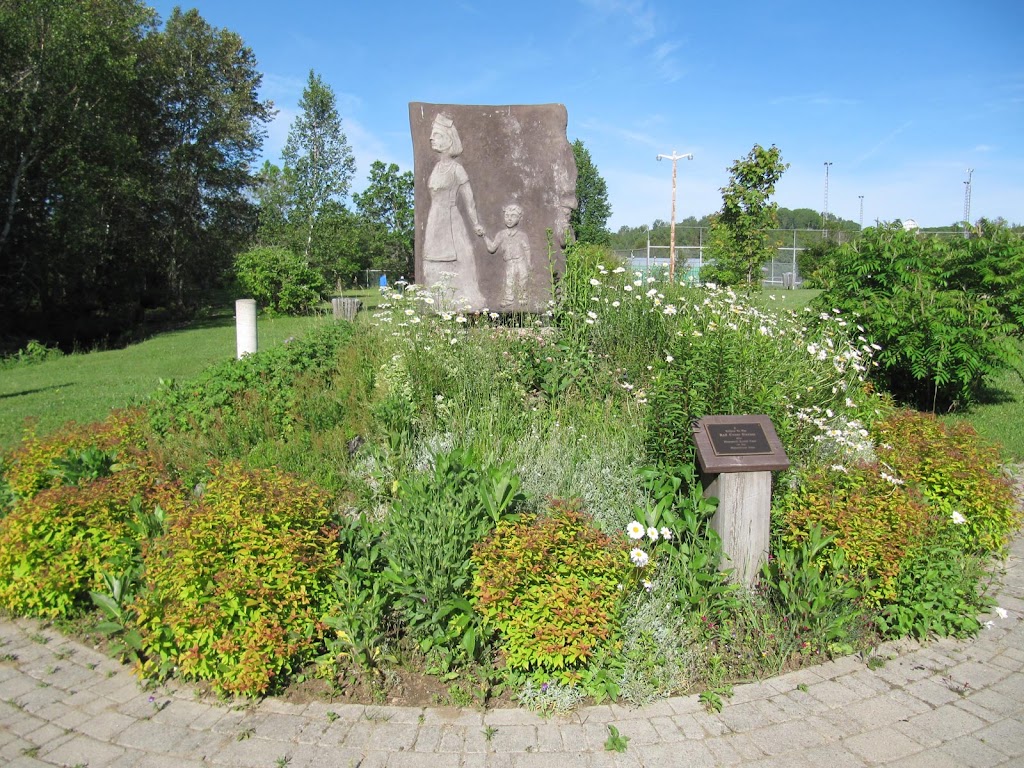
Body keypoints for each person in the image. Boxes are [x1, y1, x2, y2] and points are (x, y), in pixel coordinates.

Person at [422, 113, 486, 308]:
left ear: (448, 140)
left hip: (450, 220)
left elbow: (469, 199)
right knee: (434, 258)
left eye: (437, 135)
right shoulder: (436, 168)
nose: (432, 138)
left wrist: (475, 223)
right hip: (435, 219)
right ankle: (437, 301)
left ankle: (465, 299)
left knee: (462, 257)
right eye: (432, 134)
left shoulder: (457, 169)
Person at [483, 203, 531, 308]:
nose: (509, 219)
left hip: (521, 261)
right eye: (507, 216)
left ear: (519, 218)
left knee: (523, 278)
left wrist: (529, 263)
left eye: (513, 216)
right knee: (509, 280)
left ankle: (523, 297)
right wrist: (484, 236)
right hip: (509, 262)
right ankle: (509, 299)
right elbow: (491, 248)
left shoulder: (522, 235)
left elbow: (527, 249)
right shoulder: (501, 234)